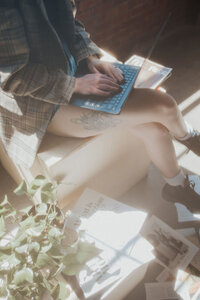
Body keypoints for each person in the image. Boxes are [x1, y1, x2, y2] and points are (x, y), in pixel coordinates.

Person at [0, 0, 200, 212]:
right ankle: (191, 138)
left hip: (73, 71)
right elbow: (12, 77)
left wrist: (91, 58)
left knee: (157, 130)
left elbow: (70, 24)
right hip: (41, 104)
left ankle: (176, 187)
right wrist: (74, 84)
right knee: (164, 105)